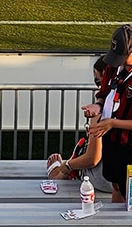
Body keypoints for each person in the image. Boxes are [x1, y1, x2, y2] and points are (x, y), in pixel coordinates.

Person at [85, 24, 132, 203]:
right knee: (116, 184)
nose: (119, 61)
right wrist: (97, 107)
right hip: (111, 140)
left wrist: (112, 123)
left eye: (124, 56)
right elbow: (103, 95)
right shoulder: (112, 66)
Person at [46, 58, 114, 193]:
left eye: (98, 81)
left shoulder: (100, 111)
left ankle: (61, 174)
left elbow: (92, 159)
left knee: (83, 155)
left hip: (106, 181)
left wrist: (67, 166)